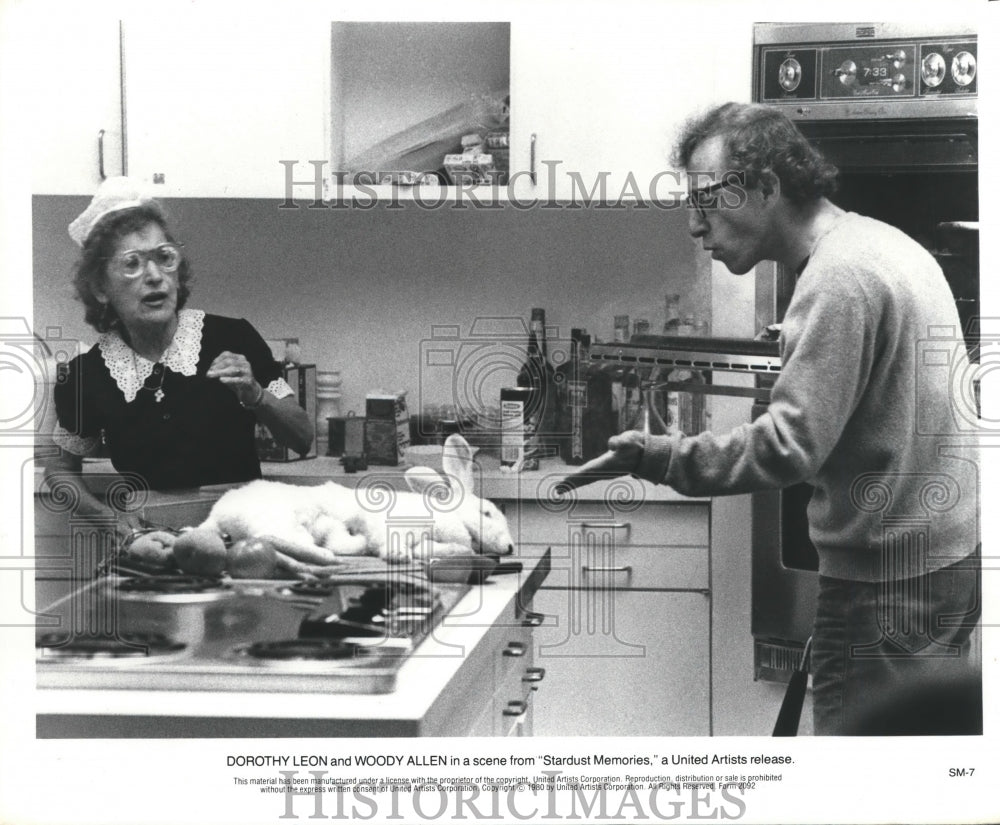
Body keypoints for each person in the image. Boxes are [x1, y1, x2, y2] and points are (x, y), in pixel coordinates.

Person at [558, 103, 981, 736]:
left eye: (707, 198)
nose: (695, 225)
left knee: (854, 790)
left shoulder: (838, 279)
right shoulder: (876, 244)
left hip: (887, 587)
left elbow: (787, 446)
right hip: (940, 564)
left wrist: (658, 456)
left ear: (766, 185)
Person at [46, 177, 314, 539]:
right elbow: (60, 470)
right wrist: (107, 519)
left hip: (244, 533)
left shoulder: (231, 337)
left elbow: (302, 437)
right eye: (132, 264)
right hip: (154, 540)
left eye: (164, 257)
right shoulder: (86, 375)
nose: (155, 276)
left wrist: (255, 394)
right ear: (100, 288)